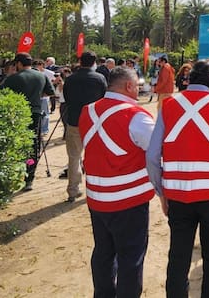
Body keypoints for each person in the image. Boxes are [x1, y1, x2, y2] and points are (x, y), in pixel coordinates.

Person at [146, 59, 209, 298]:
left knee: (178, 258)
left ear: (189, 79)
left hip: (178, 195)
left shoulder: (169, 105)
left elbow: (151, 155)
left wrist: (161, 192)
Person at [79, 66, 155, 298]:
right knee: (131, 258)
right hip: (129, 200)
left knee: (103, 252)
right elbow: (157, 151)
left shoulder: (87, 111)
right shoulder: (137, 116)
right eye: (138, 85)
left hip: (96, 198)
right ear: (129, 86)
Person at [0, 53, 55, 191]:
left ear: (18, 63)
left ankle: (13, 175)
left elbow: (1, 93)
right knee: (33, 146)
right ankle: (29, 177)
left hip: (17, 115)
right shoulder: (41, 76)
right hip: (35, 113)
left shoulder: (13, 78)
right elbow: (50, 92)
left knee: (15, 144)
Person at [62, 51, 108, 203]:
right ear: (94, 62)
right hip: (94, 122)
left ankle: (72, 191)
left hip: (74, 121)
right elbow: (104, 98)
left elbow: (67, 99)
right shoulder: (99, 78)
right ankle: (97, 188)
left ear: (80, 61)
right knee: (96, 156)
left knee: (74, 157)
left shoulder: (70, 79)